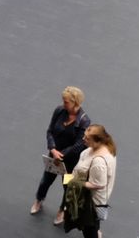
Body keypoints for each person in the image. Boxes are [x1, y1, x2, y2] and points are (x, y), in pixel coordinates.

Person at [31, 86, 92, 224]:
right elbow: (50, 131)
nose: (63, 104)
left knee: (68, 188)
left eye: (66, 102)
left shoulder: (84, 121)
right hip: (54, 157)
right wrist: (53, 149)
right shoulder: (59, 111)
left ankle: (62, 210)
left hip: (72, 163)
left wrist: (62, 154)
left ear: (75, 103)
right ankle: (38, 200)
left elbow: (79, 145)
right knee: (45, 181)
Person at [72, 124, 119, 238]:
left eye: (87, 138)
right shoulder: (105, 149)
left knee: (89, 230)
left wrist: (76, 182)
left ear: (98, 141)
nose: (83, 139)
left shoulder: (99, 162)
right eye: (84, 136)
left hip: (91, 204)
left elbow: (98, 184)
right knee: (94, 225)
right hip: (94, 201)